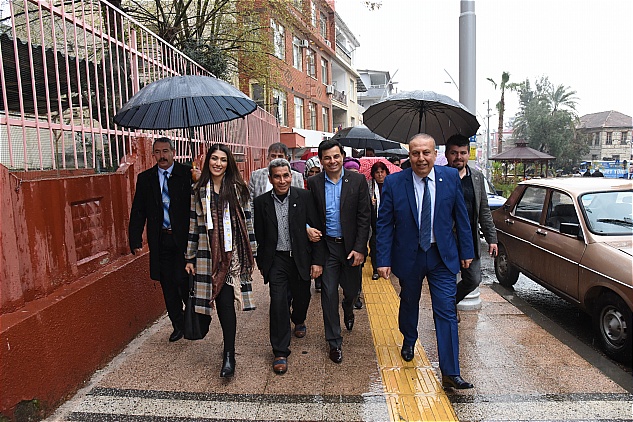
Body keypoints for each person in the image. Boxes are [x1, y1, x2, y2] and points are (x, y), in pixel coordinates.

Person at [376, 133, 475, 389]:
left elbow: (462, 218)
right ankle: (409, 338)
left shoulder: (450, 177)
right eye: (416, 153)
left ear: (435, 154)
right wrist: (382, 259)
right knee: (409, 302)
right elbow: (384, 224)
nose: (421, 158)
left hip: (442, 256)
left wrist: (467, 251)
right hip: (409, 255)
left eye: (426, 153)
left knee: (446, 311)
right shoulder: (395, 182)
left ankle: (451, 372)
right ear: (409, 156)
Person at [185, 144, 256, 378]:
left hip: (231, 255)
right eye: (214, 159)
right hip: (206, 254)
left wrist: (252, 252)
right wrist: (190, 256)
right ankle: (225, 350)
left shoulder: (238, 189)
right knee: (208, 304)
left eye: (223, 160)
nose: (218, 163)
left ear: (229, 164)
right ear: (208, 162)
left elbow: (248, 222)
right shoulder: (198, 190)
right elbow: (193, 225)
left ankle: (229, 354)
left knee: (226, 305)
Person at [253, 159, 326, 375]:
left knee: (302, 297)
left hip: (300, 258)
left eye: (285, 176)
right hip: (277, 260)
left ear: (291, 177)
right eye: (277, 176)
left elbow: (317, 229)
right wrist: (263, 263)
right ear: (270, 179)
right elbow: (260, 235)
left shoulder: (304, 197)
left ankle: (299, 319)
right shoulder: (261, 203)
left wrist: (317, 261)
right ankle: (280, 351)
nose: (282, 180)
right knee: (278, 303)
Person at [307, 139, 371, 364]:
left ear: (342, 156)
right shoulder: (314, 183)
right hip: (327, 247)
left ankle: (348, 307)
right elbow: (310, 214)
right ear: (321, 160)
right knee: (328, 294)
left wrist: (360, 248)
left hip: (351, 247)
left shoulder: (358, 180)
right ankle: (334, 341)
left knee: (351, 291)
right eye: (327, 158)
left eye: (336, 156)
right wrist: (308, 229)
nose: (332, 161)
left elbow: (365, 216)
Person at [129, 137, 194, 343]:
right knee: (167, 283)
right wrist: (135, 239)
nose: (162, 156)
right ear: (153, 155)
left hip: (183, 239)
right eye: (157, 152)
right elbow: (138, 210)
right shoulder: (146, 179)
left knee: (183, 280)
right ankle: (178, 324)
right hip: (161, 239)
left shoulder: (187, 174)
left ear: (173, 152)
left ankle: (192, 319)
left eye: (165, 151)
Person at [445, 135, 498, 315]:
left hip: (469, 238)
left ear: (468, 154)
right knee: (447, 279)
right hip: (447, 238)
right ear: (447, 154)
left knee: (473, 279)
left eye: (462, 153)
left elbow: (484, 210)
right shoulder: (440, 176)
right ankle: (448, 312)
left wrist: (492, 239)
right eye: (454, 153)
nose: (458, 157)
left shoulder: (476, 177)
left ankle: (450, 303)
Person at [368, 161, 390, 280]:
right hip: (374, 220)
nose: (380, 175)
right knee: (375, 243)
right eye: (377, 172)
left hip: (389, 220)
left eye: (382, 172)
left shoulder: (391, 184)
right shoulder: (369, 185)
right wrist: (369, 202)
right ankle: (376, 269)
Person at [304, 156, 324, 292]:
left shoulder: (322, 186)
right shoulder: (301, 185)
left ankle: (320, 279)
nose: (314, 174)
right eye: (311, 171)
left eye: (317, 171)